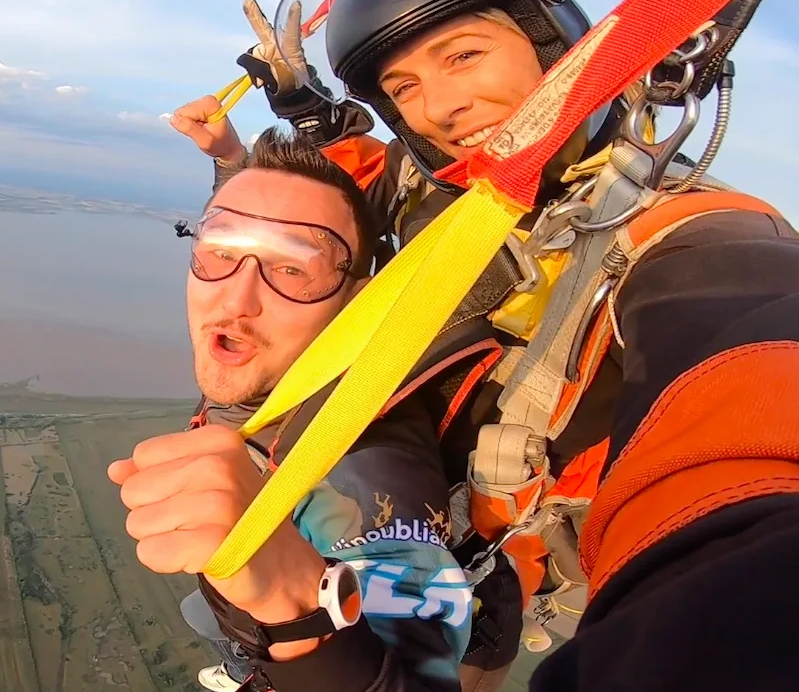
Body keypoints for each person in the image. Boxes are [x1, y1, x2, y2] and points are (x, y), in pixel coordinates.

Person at [157, 0, 799, 691]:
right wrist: (270, 132)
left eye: (463, 56)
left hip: (486, 571)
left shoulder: (691, 245)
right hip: (436, 523)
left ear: (556, 49)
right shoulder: (454, 186)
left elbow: (768, 419)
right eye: (403, 88)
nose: (442, 108)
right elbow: (343, 198)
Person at [108, 126, 524, 692]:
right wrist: (233, 158)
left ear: (354, 301)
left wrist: (296, 605)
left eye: (292, 270)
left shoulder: (364, 474)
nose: (234, 299)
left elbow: (420, 678)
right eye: (221, 251)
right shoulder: (276, 360)